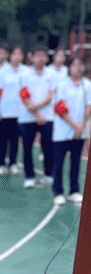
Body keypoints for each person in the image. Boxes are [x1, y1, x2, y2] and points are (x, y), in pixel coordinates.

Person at [51, 56, 91, 205]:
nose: (78, 68)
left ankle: (74, 190)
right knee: (59, 162)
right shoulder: (61, 84)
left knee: (76, 163)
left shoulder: (87, 85)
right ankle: (58, 191)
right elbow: (59, 108)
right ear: (69, 68)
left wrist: (82, 126)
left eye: (81, 64)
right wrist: (75, 126)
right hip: (63, 132)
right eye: (74, 65)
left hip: (79, 132)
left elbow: (89, 106)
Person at [19, 44, 55, 187]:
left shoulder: (50, 75)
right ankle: (29, 176)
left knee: (48, 147)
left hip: (47, 117)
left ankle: (48, 174)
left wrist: (37, 110)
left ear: (47, 58)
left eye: (43, 56)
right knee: (27, 147)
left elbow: (51, 95)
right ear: (31, 58)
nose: (41, 58)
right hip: (28, 117)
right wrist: (35, 112)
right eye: (37, 55)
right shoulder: (25, 75)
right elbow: (24, 94)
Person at [0, 45, 28, 175]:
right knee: (2, 139)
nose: (17, 57)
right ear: (10, 56)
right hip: (4, 111)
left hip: (20, 112)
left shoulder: (26, 71)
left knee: (15, 139)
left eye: (20, 54)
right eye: (14, 54)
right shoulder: (3, 71)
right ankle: (1, 163)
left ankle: (12, 163)